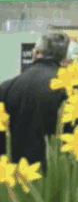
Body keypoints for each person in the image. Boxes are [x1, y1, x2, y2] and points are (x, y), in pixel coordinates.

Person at [1, 33, 70, 170]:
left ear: (36, 53)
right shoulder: (70, 88)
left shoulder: (6, 88)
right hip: (54, 175)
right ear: (64, 57)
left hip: (14, 174)